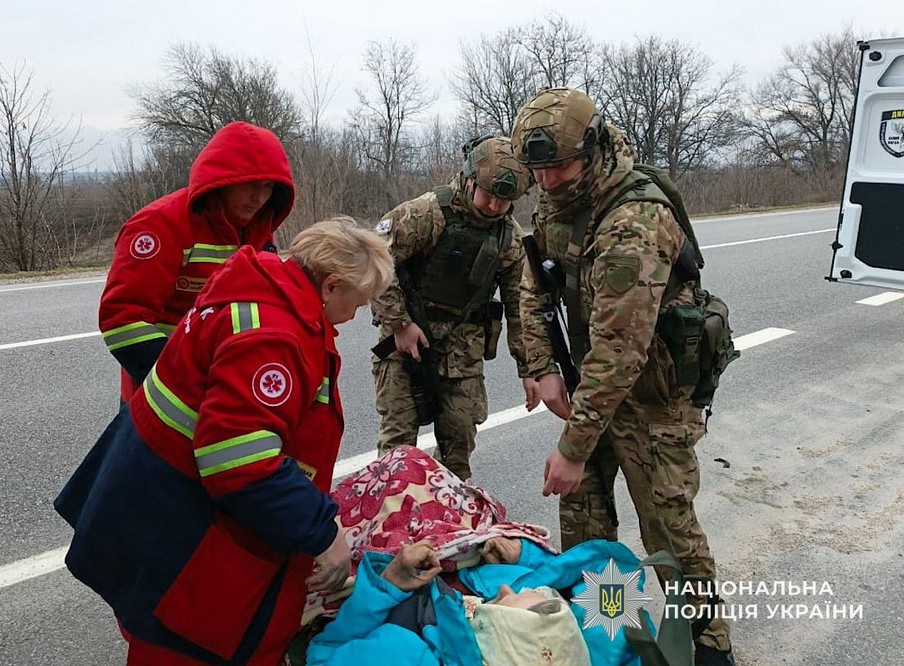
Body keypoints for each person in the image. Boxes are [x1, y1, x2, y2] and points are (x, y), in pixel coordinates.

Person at [54, 218, 395, 666]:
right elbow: (241, 464)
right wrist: (320, 531)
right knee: (181, 651)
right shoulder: (273, 337)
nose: (356, 316)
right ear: (330, 286)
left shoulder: (260, 289)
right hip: (186, 534)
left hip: (159, 505)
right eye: (359, 302)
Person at [510, 88, 734, 666]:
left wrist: (573, 446)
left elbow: (621, 349)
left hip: (652, 398)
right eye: (539, 169)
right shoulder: (560, 199)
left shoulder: (634, 218)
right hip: (594, 388)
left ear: (592, 148)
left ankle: (708, 646)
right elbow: (534, 290)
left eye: (559, 166)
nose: (549, 180)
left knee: (668, 528)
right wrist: (540, 367)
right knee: (585, 529)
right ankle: (607, 632)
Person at [370, 136, 540, 480]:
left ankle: (452, 524)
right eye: (488, 194)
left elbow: (520, 306)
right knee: (398, 452)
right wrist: (400, 323)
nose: (493, 206)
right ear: (469, 179)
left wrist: (531, 369)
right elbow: (375, 261)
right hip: (404, 344)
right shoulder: (424, 214)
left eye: (504, 201)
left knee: (458, 447)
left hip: (462, 349)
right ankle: (391, 525)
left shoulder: (508, 238)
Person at [99, 121, 294, 401]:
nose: (259, 198)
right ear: (223, 180)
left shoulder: (258, 228)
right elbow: (123, 320)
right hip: (160, 399)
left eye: (268, 187)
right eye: (250, 185)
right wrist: (182, 384)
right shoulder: (160, 225)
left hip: (229, 390)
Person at [305, 537, 653, 666]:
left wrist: (390, 583)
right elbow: (614, 574)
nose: (504, 589)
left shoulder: (403, 654)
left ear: (494, 639)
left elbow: (322, 654)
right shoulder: (587, 652)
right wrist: (528, 557)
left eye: (505, 602)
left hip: (400, 565)